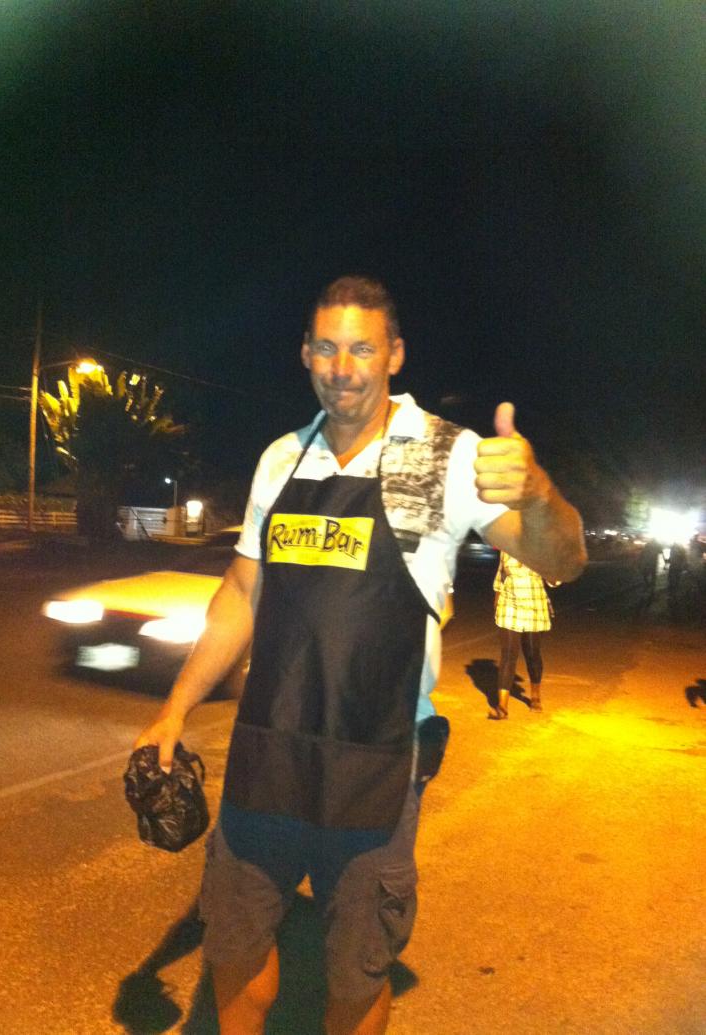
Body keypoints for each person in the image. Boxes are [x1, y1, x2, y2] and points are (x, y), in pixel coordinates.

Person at [135, 276, 586, 1035]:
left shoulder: (447, 455)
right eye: (327, 347)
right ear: (305, 354)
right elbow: (241, 593)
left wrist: (537, 491)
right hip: (268, 751)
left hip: (376, 767)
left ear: (394, 355)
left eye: (362, 349)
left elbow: (563, 559)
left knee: (355, 972)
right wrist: (174, 710)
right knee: (233, 946)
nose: (342, 368)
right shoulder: (281, 459)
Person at [490, 551, 556, 719]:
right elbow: (500, 576)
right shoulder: (506, 548)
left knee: (532, 654)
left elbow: (554, 580)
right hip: (509, 605)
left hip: (534, 605)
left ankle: (535, 696)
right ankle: (502, 707)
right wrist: (497, 600)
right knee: (508, 654)